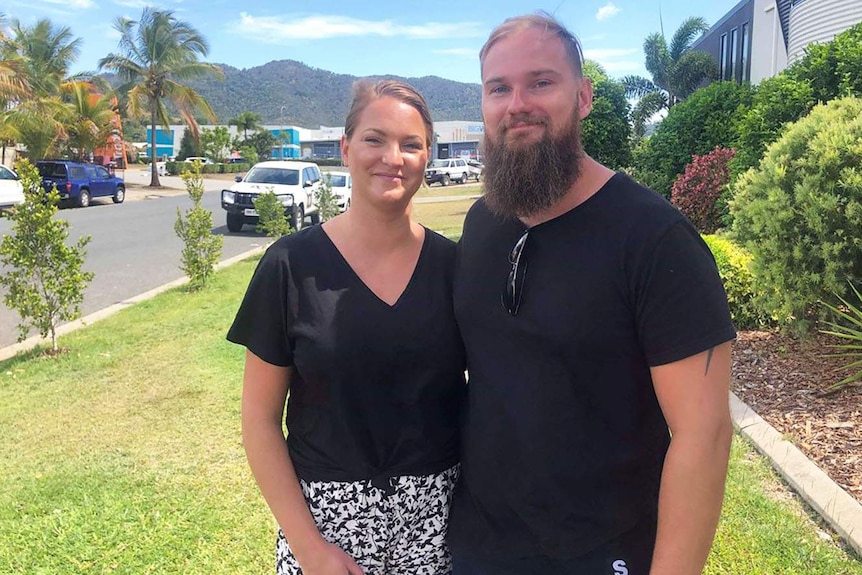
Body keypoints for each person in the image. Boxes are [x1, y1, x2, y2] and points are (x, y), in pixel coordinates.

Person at [448, 12, 736, 575]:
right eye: (498, 88)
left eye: (542, 82)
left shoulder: (655, 241)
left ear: (582, 97)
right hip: (480, 543)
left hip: (603, 551)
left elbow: (703, 435)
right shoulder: (484, 222)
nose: (517, 104)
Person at [228, 79, 465, 575]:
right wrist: (309, 548)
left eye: (412, 144)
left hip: (439, 528)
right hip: (327, 531)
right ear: (346, 147)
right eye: (375, 139)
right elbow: (259, 421)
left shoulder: (455, 267)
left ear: (428, 156)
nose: (392, 157)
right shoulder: (290, 266)